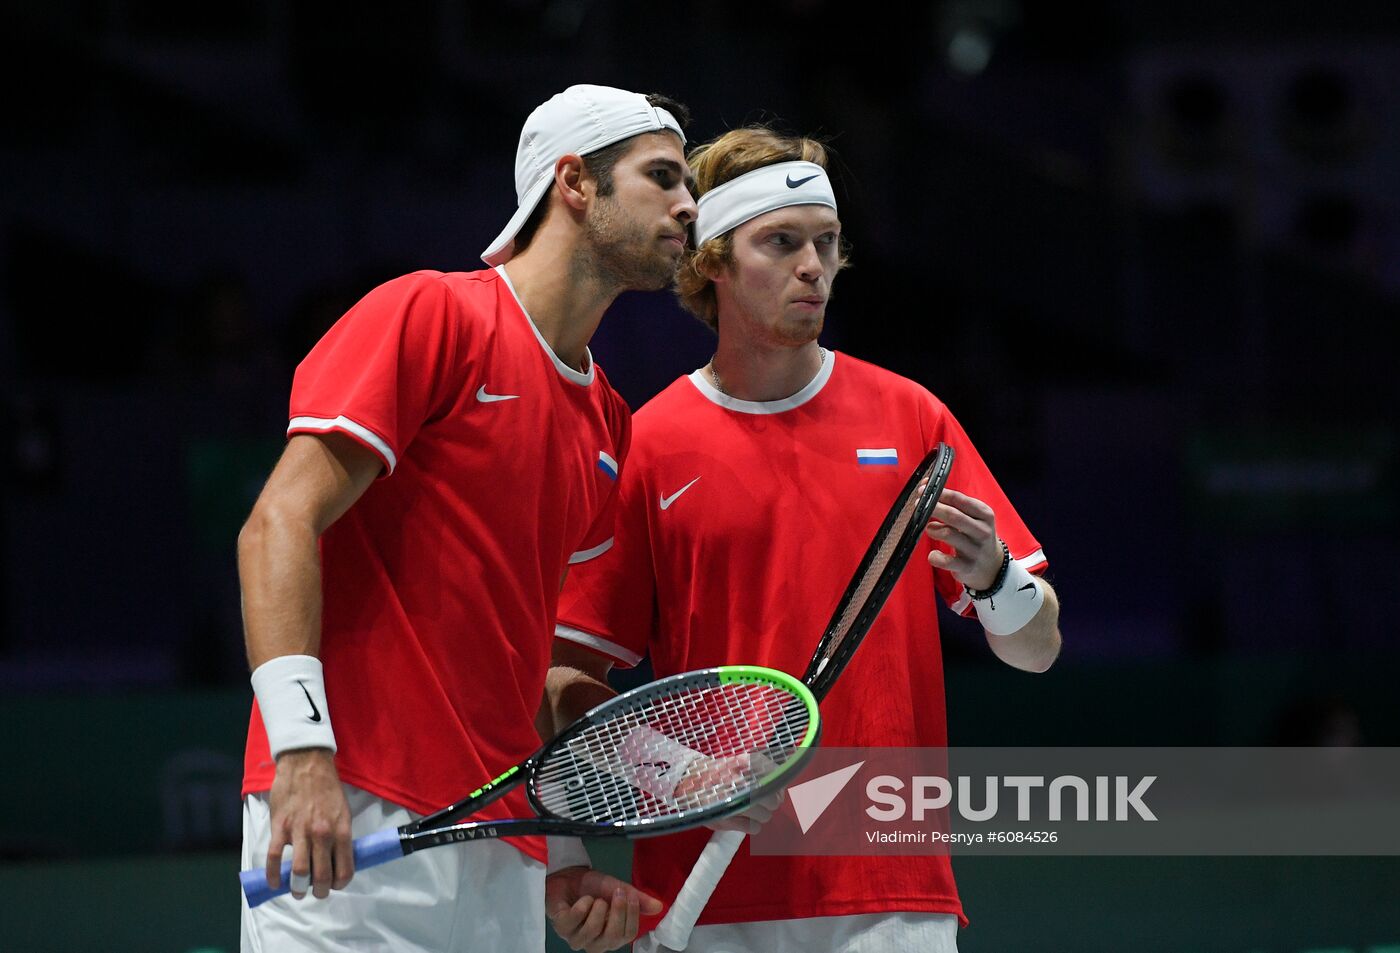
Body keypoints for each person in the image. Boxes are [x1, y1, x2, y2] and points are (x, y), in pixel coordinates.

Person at [547, 126, 1062, 953]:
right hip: (698, 900)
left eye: (825, 242)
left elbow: (1037, 647)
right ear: (710, 260)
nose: (814, 266)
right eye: (781, 242)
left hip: (888, 891)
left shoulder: (912, 418)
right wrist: (682, 778)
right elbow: (567, 673)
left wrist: (997, 578)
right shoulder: (649, 443)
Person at [237, 84, 696, 952]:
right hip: (352, 808)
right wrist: (301, 752)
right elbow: (278, 524)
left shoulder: (606, 419)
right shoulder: (432, 313)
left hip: (500, 846)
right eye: (663, 176)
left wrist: (563, 852)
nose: (687, 206)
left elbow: (531, 666)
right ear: (575, 183)